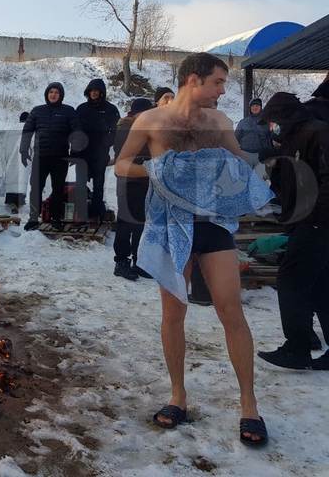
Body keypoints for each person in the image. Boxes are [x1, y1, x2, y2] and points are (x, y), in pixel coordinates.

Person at [115, 52, 272, 447]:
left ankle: (249, 405)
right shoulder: (151, 121)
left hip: (213, 222)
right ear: (193, 80)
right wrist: (158, 169)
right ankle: (178, 396)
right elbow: (120, 165)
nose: (223, 90)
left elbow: (238, 163)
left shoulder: (219, 122)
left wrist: (243, 173)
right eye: (218, 82)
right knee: (173, 313)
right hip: (169, 224)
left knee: (230, 308)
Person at [256, 92, 329, 371]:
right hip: (305, 220)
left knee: (290, 280)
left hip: (316, 222)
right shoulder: (293, 138)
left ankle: (297, 347)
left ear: (284, 117)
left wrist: (314, 218)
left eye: (272, 122)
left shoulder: (319, 133)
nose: (270, 128)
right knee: (321, 285)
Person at [21, 83, 80, 230]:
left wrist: (75, 152)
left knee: (58, 189)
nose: (53, 95)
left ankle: (56, 218)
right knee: (36, 187)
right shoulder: (37, 111)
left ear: (61, 95)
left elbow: (77, 132)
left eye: (56, 92)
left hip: (60, 158)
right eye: (51, 92)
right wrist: (23, 150)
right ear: (47, 94)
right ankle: (33, 218)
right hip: (41, 157)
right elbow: (27, 131)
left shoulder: (68, 111)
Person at [112, 98, 153, 281]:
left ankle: (139, 261)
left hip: (142, 180)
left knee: (139, 222)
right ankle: (121, 261)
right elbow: (126, 153)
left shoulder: (143, 127)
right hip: (127, 180)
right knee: (125, 221)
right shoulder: (125, 128)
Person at [76, 78, 120, 219]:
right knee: (81, 182)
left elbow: (116, 130)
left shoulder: (111, 109)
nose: (94, 93)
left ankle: (96, 211)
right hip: (83, 152)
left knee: (99, 183)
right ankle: (81, 210)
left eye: (97, 91)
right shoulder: (81, 109)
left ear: (102, 92)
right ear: (88, 92)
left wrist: (106, 143)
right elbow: (75, 129)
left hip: (100, 152)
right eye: (91, 90)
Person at [4, 111, 30, 213]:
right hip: (24, 159)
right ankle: (19, 202)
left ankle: (10, 201)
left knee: (11, 180)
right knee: (22, 180)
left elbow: (4, 146)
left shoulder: (11, 129)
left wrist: (5, 160)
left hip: (11, 159)